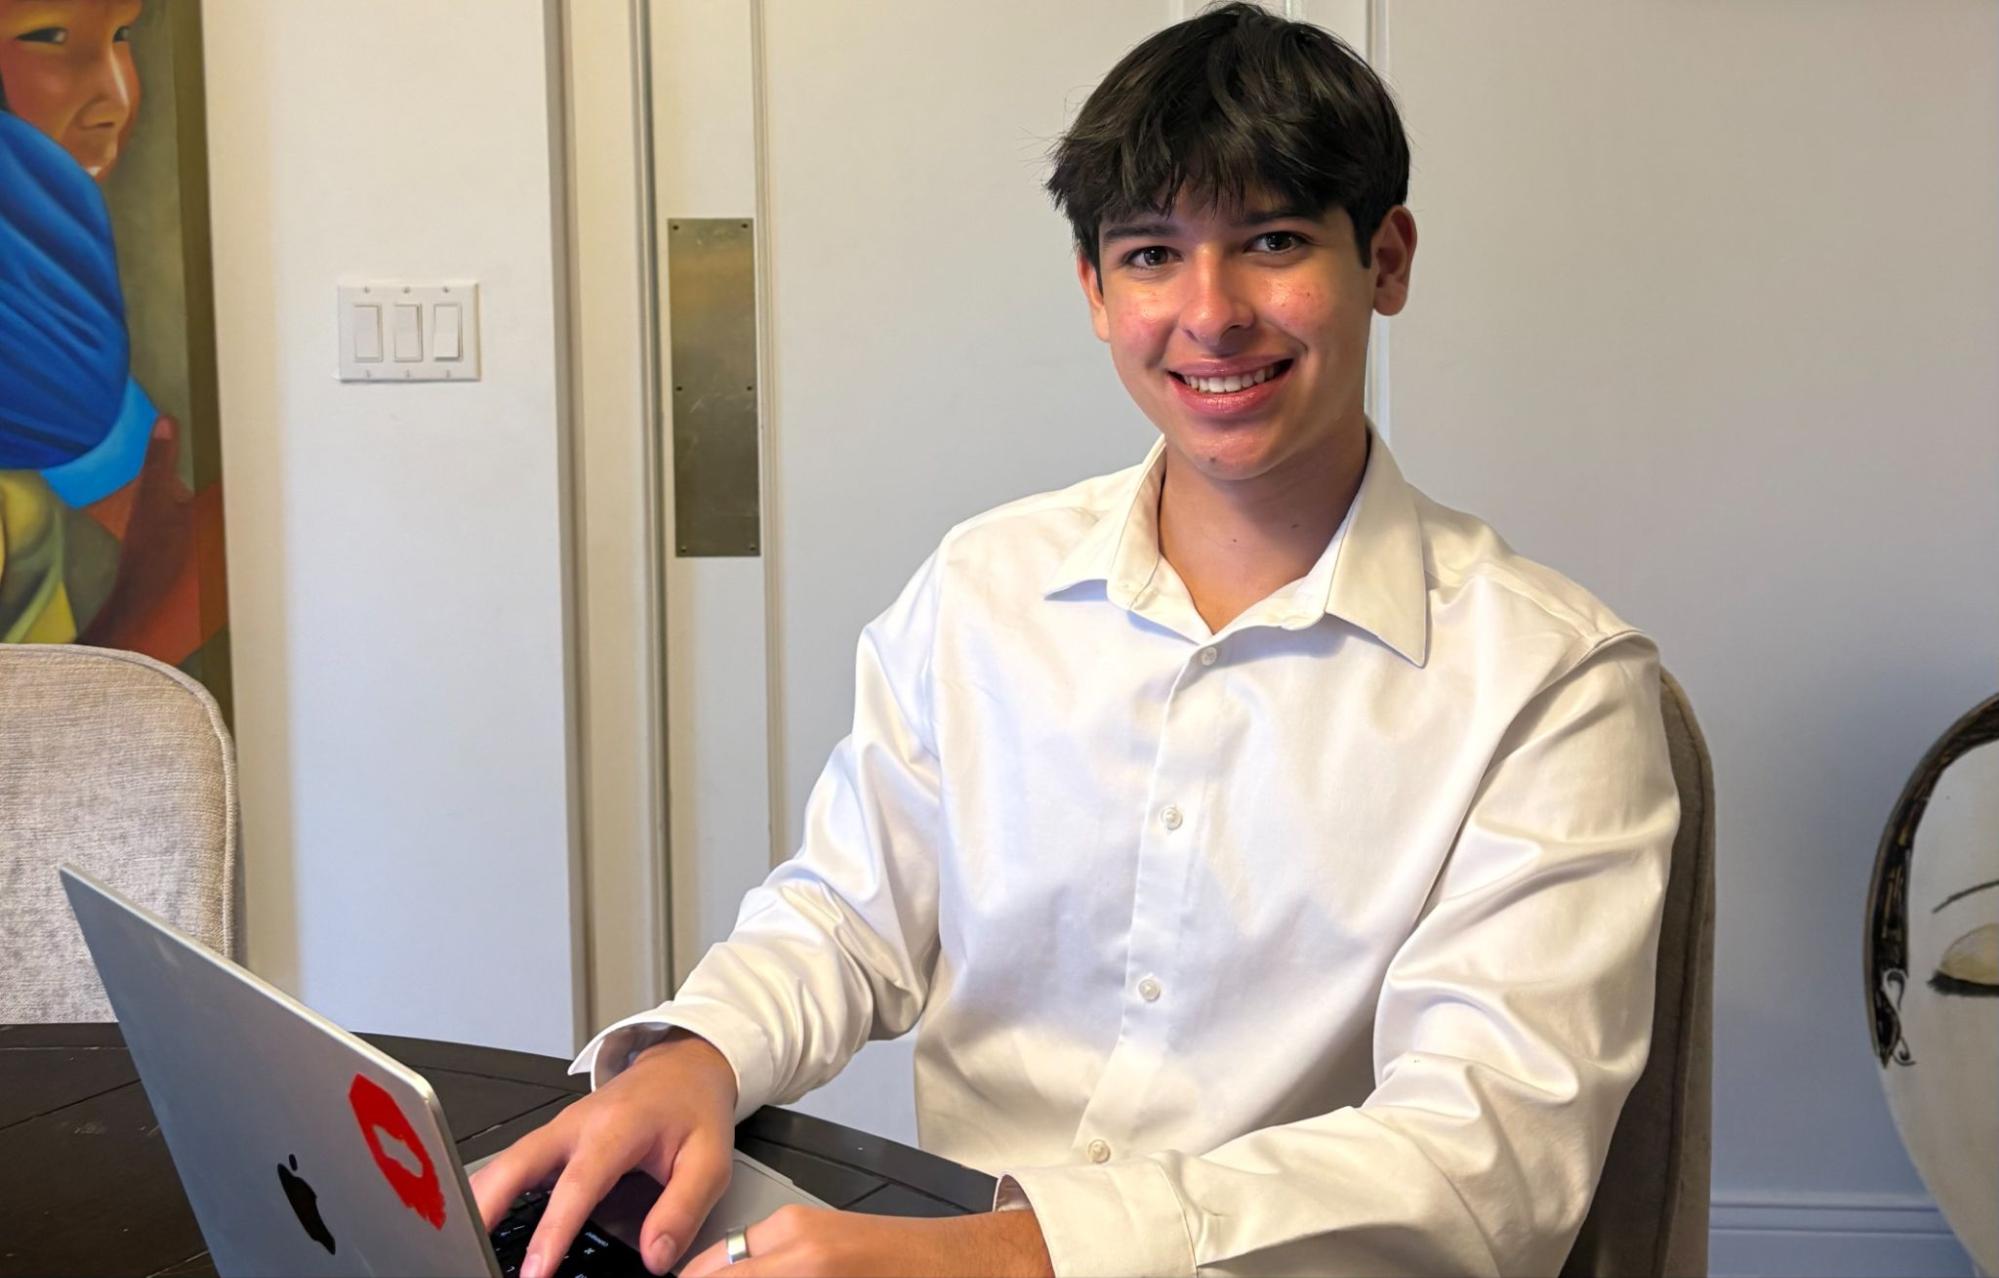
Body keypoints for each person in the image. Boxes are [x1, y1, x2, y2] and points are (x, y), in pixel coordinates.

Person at [471, 6, 1679, 1275]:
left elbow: (1478, 1158)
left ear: (1385, 259)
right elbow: (845, 917)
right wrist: (698, 1052)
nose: (1209, 315)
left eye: (1271, 243)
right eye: (1153, 255)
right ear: (1096, 291)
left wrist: (1018, 1255)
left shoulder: (1551, 683)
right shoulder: (983, 588)